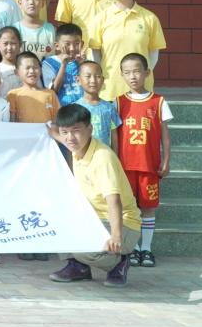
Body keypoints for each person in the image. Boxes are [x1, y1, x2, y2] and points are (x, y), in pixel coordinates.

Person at [47, 103, 142, 288]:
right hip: (93, 217)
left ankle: (119, 262)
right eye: (65, 132)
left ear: (89, 129)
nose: (70, 137)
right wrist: (50, 130)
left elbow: (114, 201)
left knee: (84, 248)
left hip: (123, 223)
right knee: (55, 228)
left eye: (76, 131)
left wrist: (116, 236)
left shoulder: (102, 158)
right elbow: (58, 134)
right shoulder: (76, 146)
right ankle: (79, 267)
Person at [116, 53, 172, 269]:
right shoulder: (118, 102)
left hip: (149, 166)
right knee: (128, 208)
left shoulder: (159, 101)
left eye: (137, 71)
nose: (133, 76)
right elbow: (114, 135)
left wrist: (166, 161)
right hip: (125, 167)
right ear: (122, 75)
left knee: (148, 208)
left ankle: (146, 248)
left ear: (147, 73)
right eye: (127, 72)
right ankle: (131, 247)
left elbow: (165, 135)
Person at [88, 0, 167, 101]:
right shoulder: (100, 18)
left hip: (141, 91)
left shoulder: (150, 18)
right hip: (110, 90)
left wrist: (140, 76)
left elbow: (153, 54)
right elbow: (95, 54)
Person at [74, 60, 121, 149]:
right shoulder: (74, 108)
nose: (93, 80)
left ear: (103, 80)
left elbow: (114, 137)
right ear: (78, 80)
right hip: (82, 156)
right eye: (88, 76)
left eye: (97, 76)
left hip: (104, 155)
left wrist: (114, 156)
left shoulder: (109, 108)